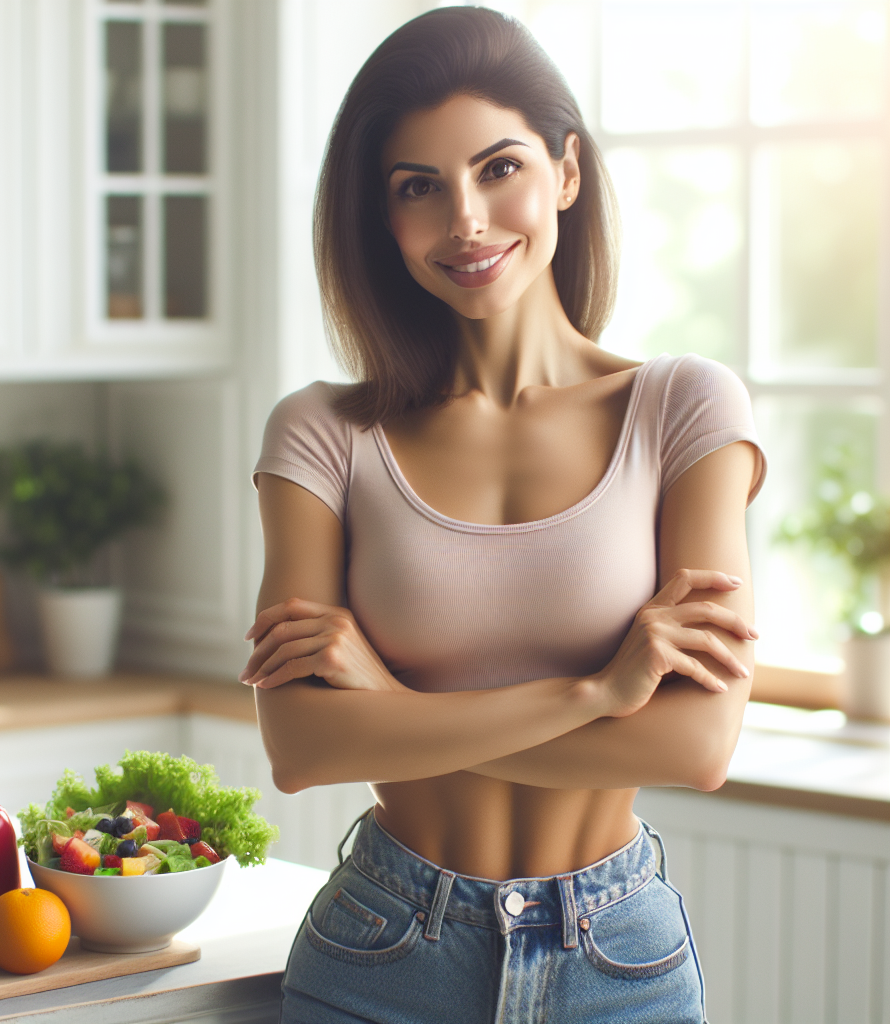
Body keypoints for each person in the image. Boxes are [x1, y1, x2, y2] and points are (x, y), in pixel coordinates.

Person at [241, 8, 766, 1023]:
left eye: (498, 168)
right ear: (380, 218)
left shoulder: (683, 409)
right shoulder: (322, 433)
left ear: (565, 171)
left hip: (616, 964)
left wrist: (386, 704)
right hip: (381, 951)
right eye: (417, 188)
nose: (466, 222)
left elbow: (694, 743)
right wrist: (601, 690)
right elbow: (301, 746)